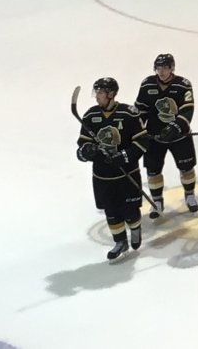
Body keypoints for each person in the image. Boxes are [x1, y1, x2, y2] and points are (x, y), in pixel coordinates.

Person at [76, 77, 149, 261]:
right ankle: (119, 241)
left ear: (111, 94)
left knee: (131, 211)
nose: (96, 97)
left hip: (127, 173)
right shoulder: (90, 116)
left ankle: (135, 228)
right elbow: (82, 147)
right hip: (103, 176)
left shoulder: (128, 114)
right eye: (96, 92)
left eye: (100, 93)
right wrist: (87, 151)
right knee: (111, 211)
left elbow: (142, 141)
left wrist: (124, 156)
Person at [135, 53, 198, 217]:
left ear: (172, 68)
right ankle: (157, 201)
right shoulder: (147, 84)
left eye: (165, 68)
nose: (162, 71)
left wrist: (176, 127)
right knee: (152, 170)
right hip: (154, 137)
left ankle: (190, 195)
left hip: (179, 136)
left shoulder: (183, 85)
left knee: (186, 167)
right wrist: (137, 130)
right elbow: (140, 109)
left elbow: (187, 109)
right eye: (159, 68)